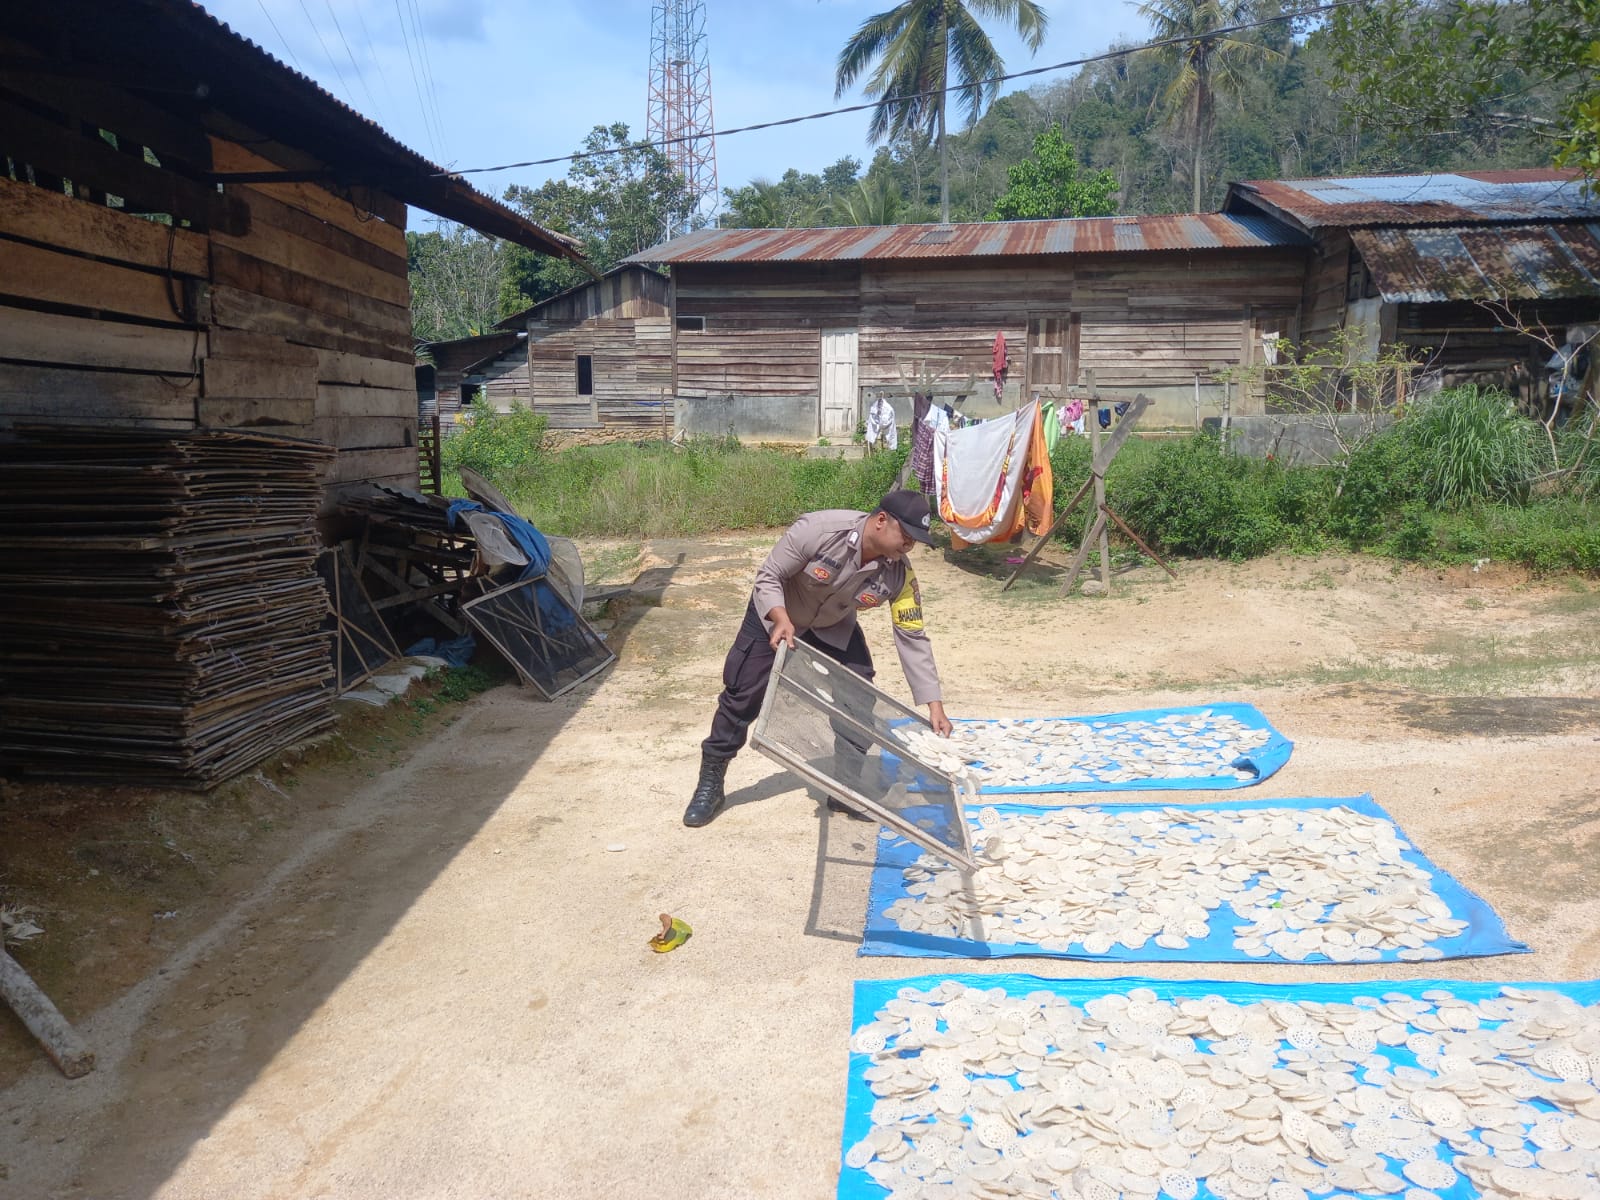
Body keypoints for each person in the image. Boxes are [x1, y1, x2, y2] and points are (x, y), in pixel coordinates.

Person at [683, 490, 953, 828]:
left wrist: (934, 704)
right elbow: (769, 576)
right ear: (882, 521)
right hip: (776, 612)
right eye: (907, 536)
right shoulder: (820, 530)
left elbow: (912, 635)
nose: (909, 546)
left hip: (833, 626)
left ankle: (844, 788)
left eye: (916, 541)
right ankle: (711, 783)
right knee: (743, 695)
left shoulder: (899, 575)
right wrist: (780, 618)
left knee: (857, 697)